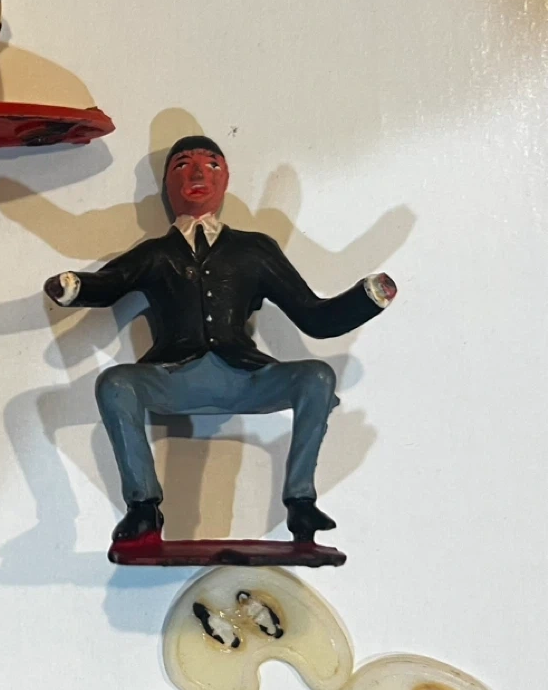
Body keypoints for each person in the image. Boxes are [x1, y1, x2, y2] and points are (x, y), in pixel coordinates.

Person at [43, 136, 397, 547]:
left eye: (211, 165)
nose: (197, 173)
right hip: (174, 376)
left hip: (244, 377)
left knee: (316, 376)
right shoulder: (156, 253)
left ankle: (301, 501)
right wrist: (73, 287)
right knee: (115, 382)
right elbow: (109, 284)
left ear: (226, 178)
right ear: (167, 183)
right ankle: (143, 508)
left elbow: (314, 316)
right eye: (182, 165)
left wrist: (367, 298)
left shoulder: (255, 249)